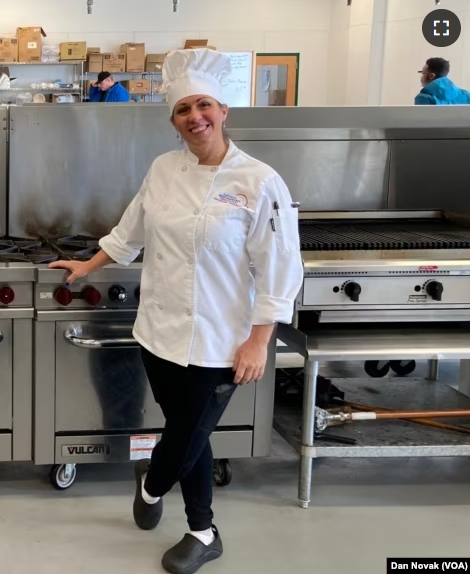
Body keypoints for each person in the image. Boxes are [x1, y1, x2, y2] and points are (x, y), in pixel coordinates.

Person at [49, 48, 303, 574]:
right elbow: (131, 231)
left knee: (186, 434)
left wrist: (261, 338)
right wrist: (87, 266)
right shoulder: (163, 169)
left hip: (221, 340)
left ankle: (152, 482)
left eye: (204, 105)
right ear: (173, 120)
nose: (196, 117)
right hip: (158, 331)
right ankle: (203, 531)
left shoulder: (258, 182)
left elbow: (280, 267)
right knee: (191, 431)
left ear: (224, 110)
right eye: (184, 109)